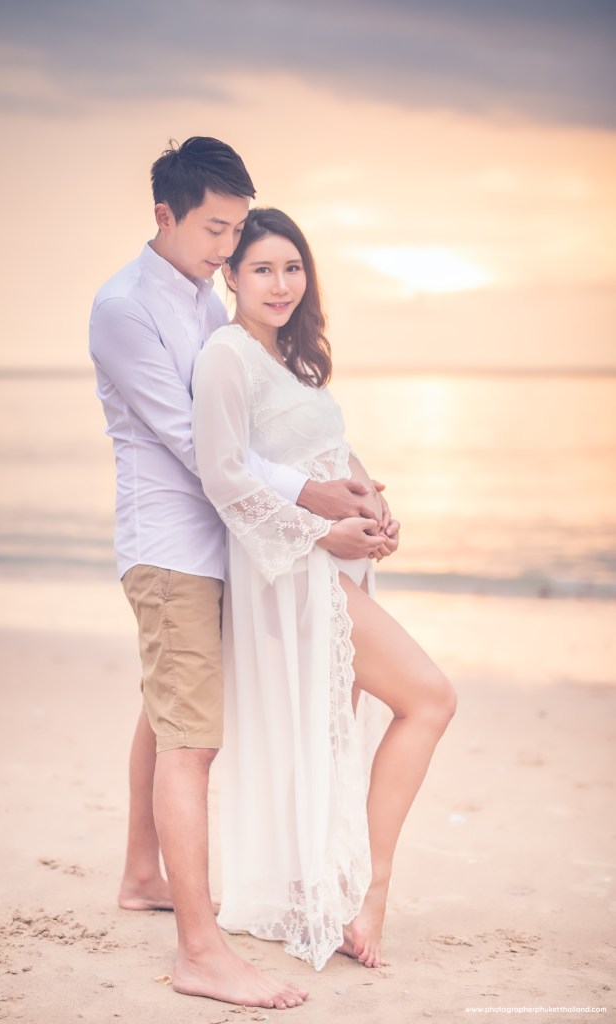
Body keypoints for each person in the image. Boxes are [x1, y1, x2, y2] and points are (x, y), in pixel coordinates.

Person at [89, 139, 398, 1008]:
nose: (228, 249)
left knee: (165, 707)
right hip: (177, 545)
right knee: (193, 738)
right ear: (165, 215)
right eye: (215, 230)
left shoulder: (201, 296)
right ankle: (198, 951)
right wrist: (312, 503)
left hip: (233, 541)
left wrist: (345, 483)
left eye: (237, 232)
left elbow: (261, 420)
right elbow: (199, 448)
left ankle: (142, 873)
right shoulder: (125, 309)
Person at [192, 208, 457, 972]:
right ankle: (369, 894)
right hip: (292, 575)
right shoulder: (225, 356)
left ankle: (326, 887)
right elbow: (223, 476)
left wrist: (372, 508)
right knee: (429, 698)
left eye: (292, 267)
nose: (280, 284)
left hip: (335, 565)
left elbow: (324, 456)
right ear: (230, 276)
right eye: (262, 269)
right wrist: (320, 534)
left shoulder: (292, 360)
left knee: (334, 738)